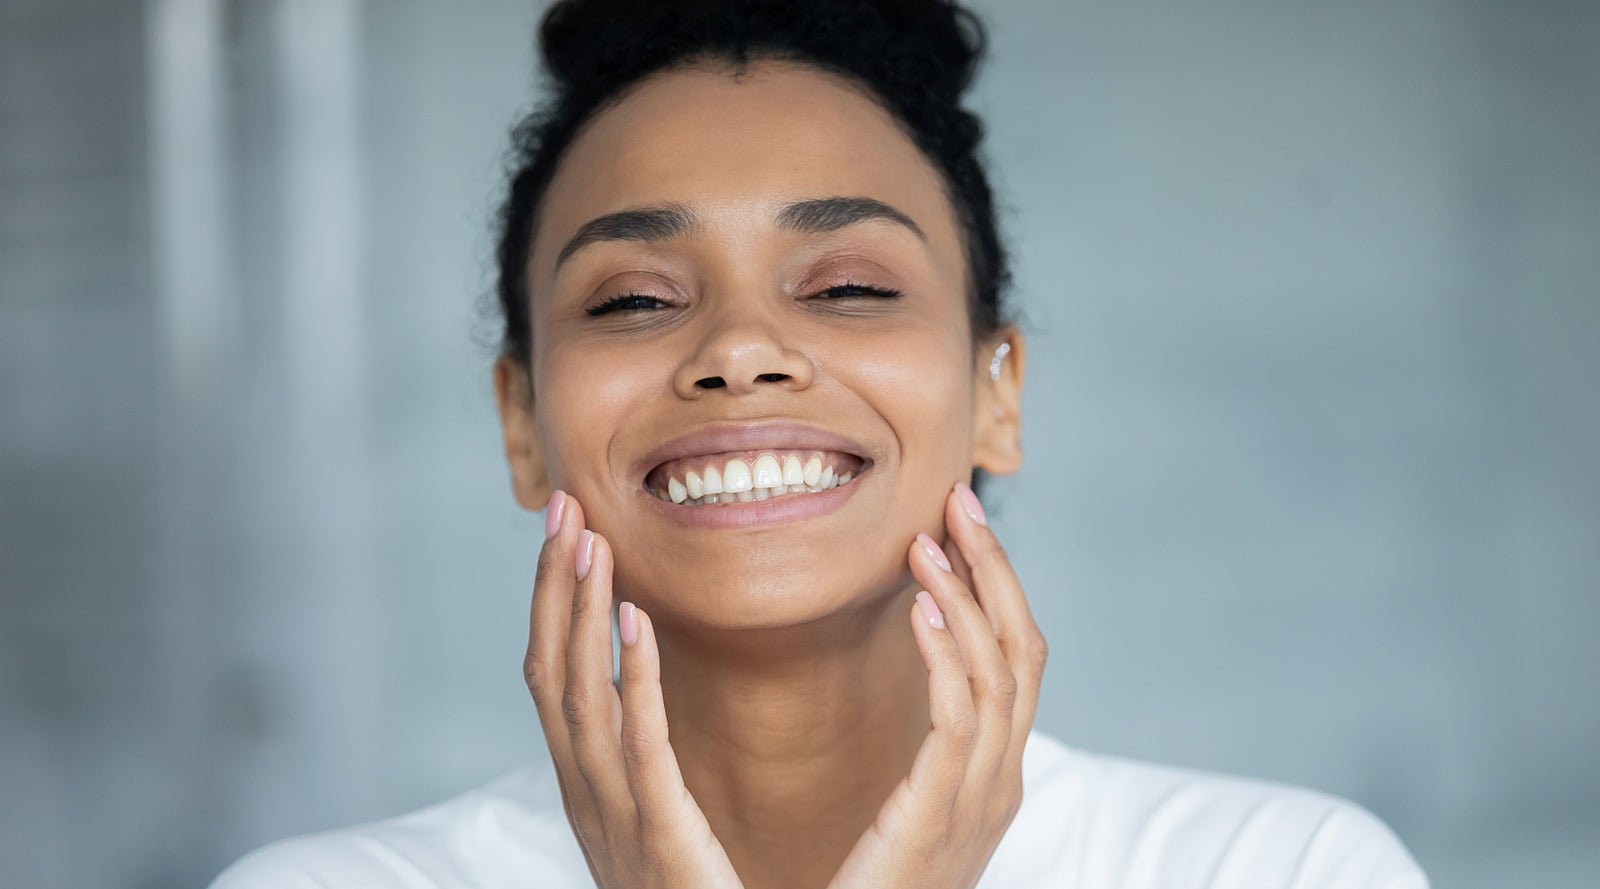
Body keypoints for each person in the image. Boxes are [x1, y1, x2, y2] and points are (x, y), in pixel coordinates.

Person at [212, 1, 1430, 887]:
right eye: (633, 299)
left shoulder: (1278, 868)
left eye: (848, 285)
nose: (740, 349)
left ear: (995, 388)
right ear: (521, 421)